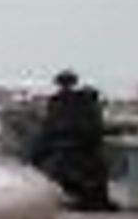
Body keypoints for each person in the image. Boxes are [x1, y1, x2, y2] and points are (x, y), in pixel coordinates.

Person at [30, 70, 116, 211]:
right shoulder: (82, 101)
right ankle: (91, 197)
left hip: (67, 147)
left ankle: (85, 196)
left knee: (46, 160)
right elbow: (94, 127)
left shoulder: (57, 101)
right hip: (79, 147)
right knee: (95, 166)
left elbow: (49, 127)